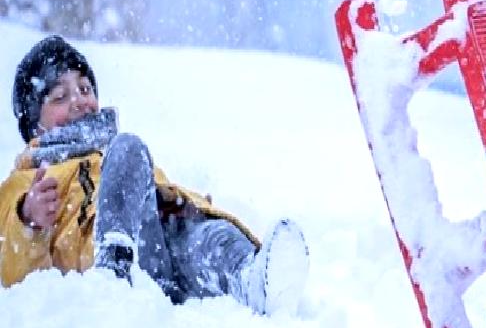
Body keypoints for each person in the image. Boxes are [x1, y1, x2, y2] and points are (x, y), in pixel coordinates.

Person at [0, 35, 310, 315]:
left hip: (165, 244)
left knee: (213, 239)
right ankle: (114, 271)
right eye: (60, 96)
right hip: (125, 258)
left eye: (84, 88)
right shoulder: (28, 180)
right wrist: (28, 220)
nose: (79, 100)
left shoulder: (109, 152)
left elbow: (156, 191)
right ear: (33, 124)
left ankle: (252, 279)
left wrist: (193, 207)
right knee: (128, 148)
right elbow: (8, 264)